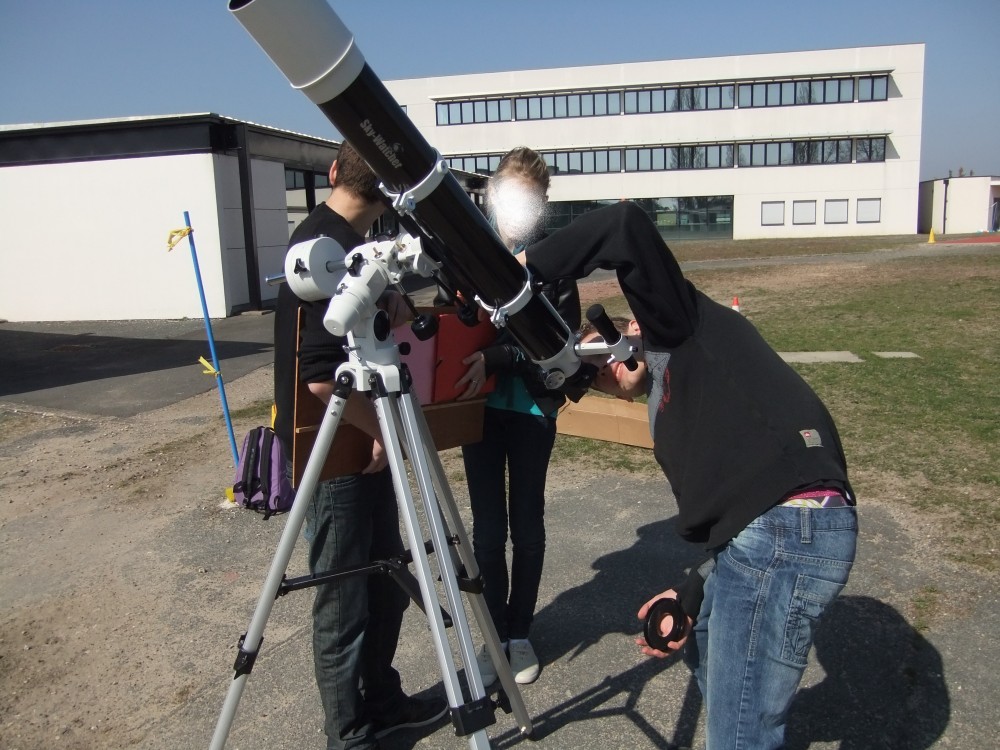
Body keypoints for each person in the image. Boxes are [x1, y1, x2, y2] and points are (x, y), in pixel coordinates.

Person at [520, 201, 858, 750]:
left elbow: (623, 225)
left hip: (791, 528)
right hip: (776, 528)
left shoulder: (683, 326)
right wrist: (690, 590)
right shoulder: (685, 399)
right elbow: (738, 513)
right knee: (701, 641)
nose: (614, 359)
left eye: (627, 329)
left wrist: (524, 266)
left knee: (740, 733)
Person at [273, 141, 446, 750]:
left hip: (362, 445)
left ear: (331, 173)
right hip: (339, 452)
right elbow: (321, 373)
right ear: (388, 191)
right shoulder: (321, 252)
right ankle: (349, 735)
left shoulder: (352, 248)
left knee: (386, 581)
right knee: (345, 602)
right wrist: (382, 433)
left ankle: (383, 701)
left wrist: (392, 305)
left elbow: (356, 338)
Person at [453, 147, 581, 686]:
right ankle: (492, 636)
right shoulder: (472, 255)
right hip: (479, 409)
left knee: (526, 526)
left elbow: (556, 344)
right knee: (485, 532)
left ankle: (520, 633)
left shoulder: (555, 262)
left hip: (531, 411)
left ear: (542, 203)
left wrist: (497, 354)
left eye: (528, 198)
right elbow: (461, 324)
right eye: (508, 195)